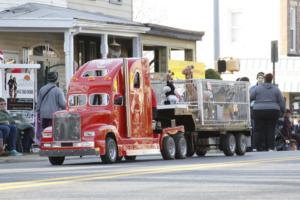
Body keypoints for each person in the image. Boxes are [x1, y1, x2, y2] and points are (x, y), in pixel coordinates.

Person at [250, 73, 285, 151]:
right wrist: (283, 111)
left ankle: (256, 147)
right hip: (273, 111)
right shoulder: (276, 89)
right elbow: (281, 101)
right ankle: (270, 147)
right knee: (271, 129)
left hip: (258, 110)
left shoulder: (257, 88)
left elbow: (250, 97)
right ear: (271, 80)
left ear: (265, 79)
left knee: (258, 129)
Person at [249, 72, 264, 151]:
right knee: (254, 128)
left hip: (263, 109)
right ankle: (254, 146)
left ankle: (261, 145)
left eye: (262, 78)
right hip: (254, 109)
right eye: (259, 78)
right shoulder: (252, 88)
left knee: (262, 128)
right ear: (257, 79)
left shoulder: (266, 88)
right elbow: (249, 98)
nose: (260, 79)